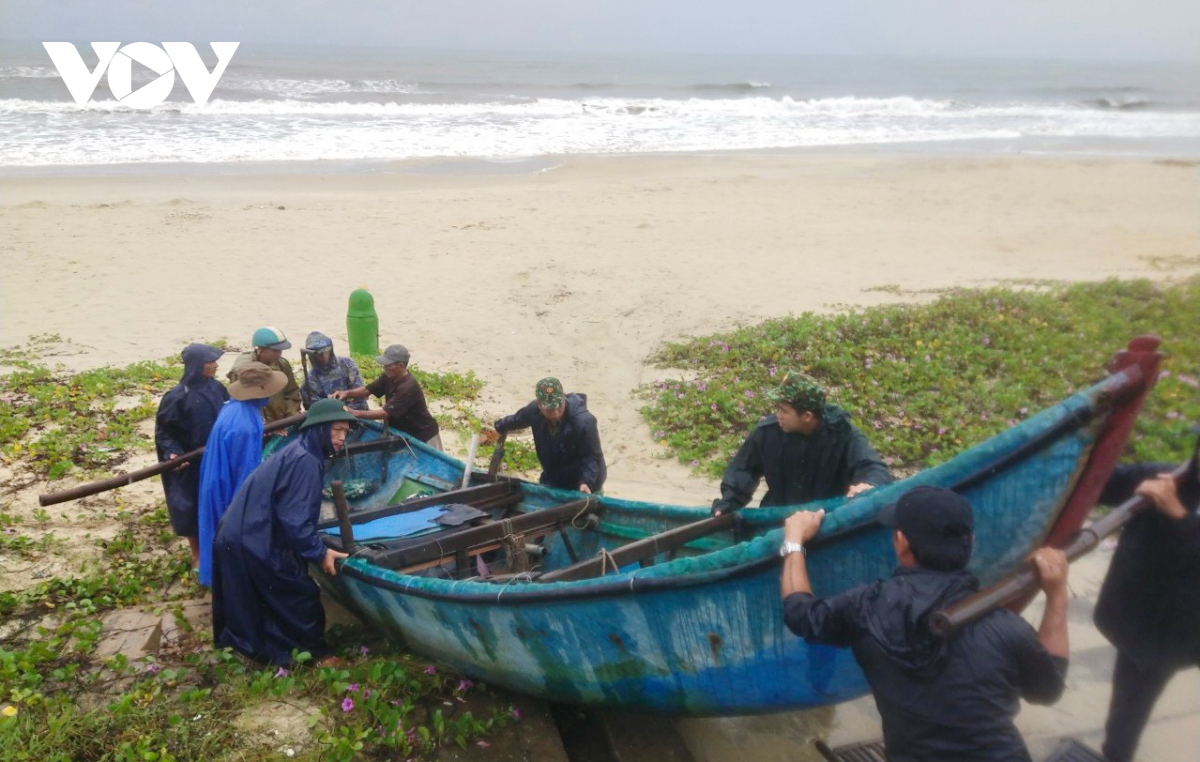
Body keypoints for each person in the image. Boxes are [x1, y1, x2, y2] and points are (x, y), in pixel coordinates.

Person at [781, 486, 1070, 762]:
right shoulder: (1008, 629)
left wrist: (794, 541)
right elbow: (1048, 689)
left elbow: (800, 613)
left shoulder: (864, 608)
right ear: (969, 542)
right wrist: (1056, 595)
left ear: (902, 542)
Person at [211, 398, 355, 667]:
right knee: (300, 594)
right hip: (253, 537)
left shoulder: (299, 449)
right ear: (319, 429)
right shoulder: (307, 461)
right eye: (336, 430)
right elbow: (296, 521)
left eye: (345, 432)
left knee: (253, 598)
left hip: (237, 532)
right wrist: (319, 552)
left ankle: (255, 649)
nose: (341, 438)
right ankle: (314, 655)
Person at [1093, 435, 1200, 762]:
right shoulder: (1163, 478)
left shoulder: (1172, 498)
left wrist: (1176, 515)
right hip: (1147, 629)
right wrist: (1095, 441)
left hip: (1183, 632)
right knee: (1130, 706)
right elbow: (1099, 483)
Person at [712, 371, 892, 515]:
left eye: (784, 411)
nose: (778, 415)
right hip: (778, 517)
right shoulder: (767, 433)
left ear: (806, 416)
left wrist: (870, 484)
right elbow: (744, 469)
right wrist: (729, 502)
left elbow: (871, 466)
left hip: (826, 517)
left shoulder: (843, 433)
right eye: (778, 409)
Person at [195, 361, 287, 587]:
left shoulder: (234, 407)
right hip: (228, 484)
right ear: (261, 391)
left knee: (215, 534)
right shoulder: (245, 425)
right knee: (233, 534)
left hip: (214, 478)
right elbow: (245, 475)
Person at [154, 343, 228, 570]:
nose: (215, 366)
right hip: (190, 460)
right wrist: (172, 452)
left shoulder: (218, 389)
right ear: (197, 366)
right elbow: (164, 432)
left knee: (220, 500)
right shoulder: (176, 397)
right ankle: (197, 554)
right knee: (191, 505)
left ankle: (220, 545)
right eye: (210, 362)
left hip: (215, 455)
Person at [485, 376, 606, 493]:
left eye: (558, 406)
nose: (555, 412)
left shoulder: (583, 421)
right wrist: (499, 427)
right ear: (539, 405)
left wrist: (586, 482)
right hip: (554, 475)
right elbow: (517, 419)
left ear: (563, 399)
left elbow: (591, 456)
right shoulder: (533, 411)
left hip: (584, 480)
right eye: (549, 409)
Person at [332, 343, 442, 450]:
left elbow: (384, 413)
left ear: (401, 366)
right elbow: (367, 390)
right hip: (404, 432)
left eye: (388, 365)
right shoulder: (388, 376)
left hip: (424, 435)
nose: (384, 367)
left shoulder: (408, 387)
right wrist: (346, 393)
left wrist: (355, 413)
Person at [227, 326, 302, 425]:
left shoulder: (282, 364)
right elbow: (244, 403)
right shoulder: (243, 371)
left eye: (280, 350)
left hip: (282, 421)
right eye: (275, 350)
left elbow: (292, 393)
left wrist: (290, 415)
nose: (279, 354)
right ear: (261, 349)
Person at [299, 331, 367, 411]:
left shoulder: (347, 364)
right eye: (319, 353)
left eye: (326, 351)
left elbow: (360, 392)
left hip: (358, 412)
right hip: (331, 418)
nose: (323, 356)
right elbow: (316, 409)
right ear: (312, 355)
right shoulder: (309, 381)